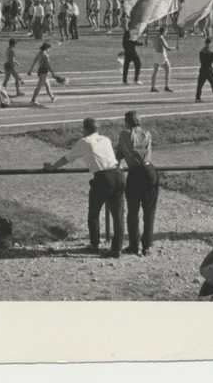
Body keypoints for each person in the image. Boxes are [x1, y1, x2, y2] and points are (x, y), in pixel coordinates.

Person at [43, 117, 125, 258]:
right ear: (97, 129)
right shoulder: (106, 139)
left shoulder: (84, 142)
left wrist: (52, 167)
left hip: (103, 178)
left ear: (85, 129)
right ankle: (117, 248)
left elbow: (67, 158)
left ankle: (94, 245)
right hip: (118, 174)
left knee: (93, 212)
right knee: (117, 214)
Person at [115, 110, 159, 256]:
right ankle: (147, 246)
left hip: (135, 173)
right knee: (149, 211)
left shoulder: (125, 134)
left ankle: (134, 245)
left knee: (133, 211)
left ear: (127, 122)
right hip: (150, 171)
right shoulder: (147, 134)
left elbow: (119, 155)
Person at [27, 42, 57, 106]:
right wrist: (53, 73)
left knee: (48, 86)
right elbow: (48, 65)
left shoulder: (38, 54)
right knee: (39, 86)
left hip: (40, 70)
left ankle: (52, 97)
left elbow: (34, 62)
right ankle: (33, 99)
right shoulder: (45, 55)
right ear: (46, 48)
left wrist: (30, 70)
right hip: (43, 71)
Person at [196, 37, 213, 102]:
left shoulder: (201, 51)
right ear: (210, 43)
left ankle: (197, 98)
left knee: (200, 85)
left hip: (202, 69)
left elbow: (202, 61)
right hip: (208, 70)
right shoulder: (210, 52)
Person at [149, 26, 174, 93]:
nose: (166, 33)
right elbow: (167, 48)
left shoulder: (155, 38)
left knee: (155, 72)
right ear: (163, 31)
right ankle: (166, 86)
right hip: (161, 55)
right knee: (168, 70)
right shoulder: (161, 39)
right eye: (166, 31)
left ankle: (153, 87)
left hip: (156, 54)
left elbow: (154, 46)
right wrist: (175, 48)